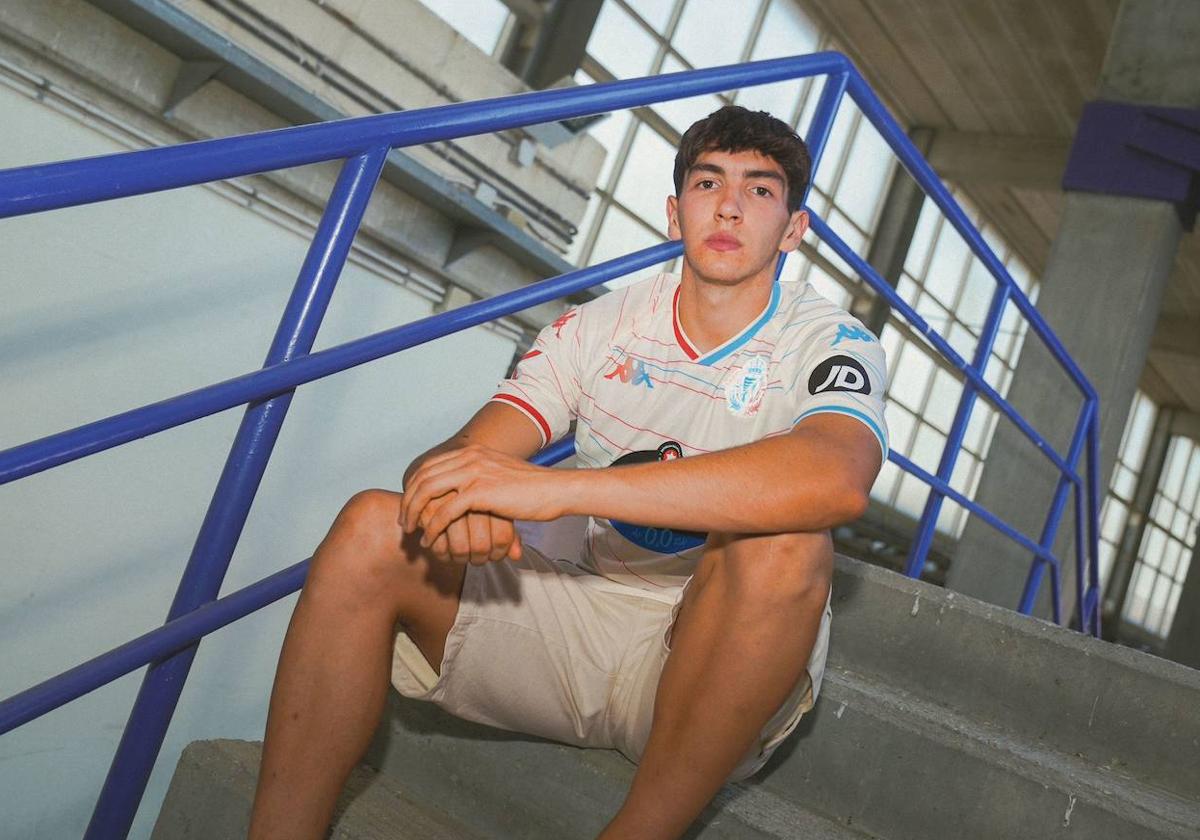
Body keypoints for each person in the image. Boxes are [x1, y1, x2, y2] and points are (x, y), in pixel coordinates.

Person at [248, 105, 888, 840]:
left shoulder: (827, 339)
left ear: (794, 229)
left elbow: (838, 476)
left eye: (762, 191)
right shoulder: (598, 327)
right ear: (676, 213)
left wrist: (554, 489)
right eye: (709, 183)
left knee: (785, 544)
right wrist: (463, 493)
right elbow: (457, 457)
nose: (731, 206)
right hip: (573, 622)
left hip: (711, 661)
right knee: (371, 524)